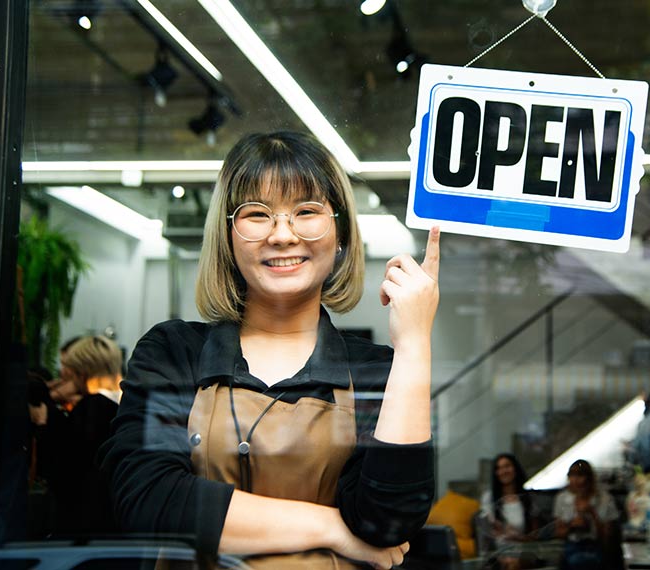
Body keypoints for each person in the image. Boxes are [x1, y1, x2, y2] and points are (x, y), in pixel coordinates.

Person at [99, 131, 440, 569]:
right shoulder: (173, 353)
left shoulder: (376, 373)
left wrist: (414, 344)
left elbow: (388, 524)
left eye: (307, 211)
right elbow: (152, 501)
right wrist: (333, 528)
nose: (282, 235)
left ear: (339, 234)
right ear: (228, 236)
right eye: (257, 214)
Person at [30, 335, 122, 534]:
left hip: (83, 519)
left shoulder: (91, 409)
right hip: (113, 517)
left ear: (83, 371)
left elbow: (64, 469)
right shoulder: (123, 405)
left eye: (71, 370)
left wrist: (45, 423)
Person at [554, 460, 619, 570]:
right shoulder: (562, 499)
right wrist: (572, 526)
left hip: (596, 547)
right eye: (572, 476)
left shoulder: (605, 499)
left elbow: (607, 538)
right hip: (572, 545)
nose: (576, 481)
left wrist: (592, 513)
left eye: (580, 475)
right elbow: (558, 532)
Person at [480, 454, 539, 570]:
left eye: (507, 466)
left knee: (514, 564)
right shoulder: (489, 499)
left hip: (524, 552)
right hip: (498, 553)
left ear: (515, 469)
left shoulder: (528, 499)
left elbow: (534, 536)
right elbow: (488, 533)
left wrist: (515, 536)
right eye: (499, 468)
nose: (503, 471)